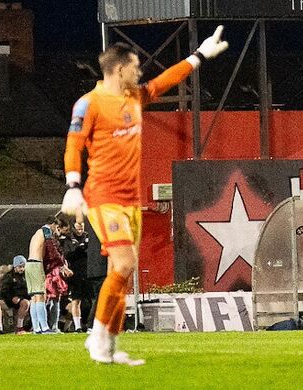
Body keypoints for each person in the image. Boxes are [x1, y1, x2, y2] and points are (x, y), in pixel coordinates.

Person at [61, 28, 228, 365]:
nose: (139, 72)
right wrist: (73, 186)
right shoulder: (89, 103)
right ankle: (97, 336)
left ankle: (109, 344)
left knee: (123, 271)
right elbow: (74, 144)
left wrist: (199, 56)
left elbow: (165, 81)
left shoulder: (134, 98)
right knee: (124, 264)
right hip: (103, 196)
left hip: (129, 199)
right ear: (119, 68)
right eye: (135, 66)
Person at [25, 217, 61, 334]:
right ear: (53, 225)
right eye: (56, 227)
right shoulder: (46, 230)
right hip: (36, 264)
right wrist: (60, 262)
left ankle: (36, 328)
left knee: (34, 297)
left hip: (29, 264)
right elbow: (51, 248)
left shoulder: (36, 233)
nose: (56, 230)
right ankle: (45, 327)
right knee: (40, 295)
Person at [62, 221, 90, 332]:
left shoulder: (88, 238)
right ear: (74, 228)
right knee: (76, 299)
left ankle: (89, 324)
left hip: (87, 272)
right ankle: (77, 326)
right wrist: (79, 250)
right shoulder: (68, 240)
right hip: (74, 274)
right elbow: (67, 255)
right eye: (78, 228)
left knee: (89, 300)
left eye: (81, 228)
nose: (80, 230)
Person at [0, 256, 30, 335]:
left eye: (23, 267)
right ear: (15, 266)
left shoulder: (26, 275)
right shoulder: (9, 276)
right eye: (20, 267)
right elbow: (4, 291)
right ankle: (19, 327)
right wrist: (11, 298)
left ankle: (32, 326)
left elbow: (27, 289)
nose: (22, 269)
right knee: (25, 303)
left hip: (22, 298)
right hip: (11, 299)